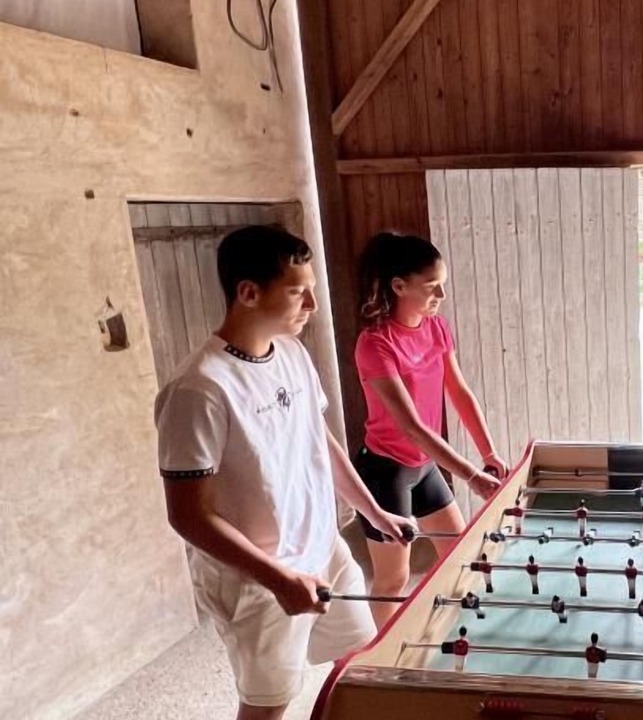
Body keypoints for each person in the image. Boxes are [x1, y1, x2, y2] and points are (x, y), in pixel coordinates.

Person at [156, 225, 416, 720]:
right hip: (257, 576)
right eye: (299, 292)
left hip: (323, 548)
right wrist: (278, 578)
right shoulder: (199, 389)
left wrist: (374, 512)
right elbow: (188, 516)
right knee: (268, 706)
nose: (313, 305)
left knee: (359, 669)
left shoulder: (292, 352)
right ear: (249, 293)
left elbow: (320, 442)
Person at [353, 231, 505, 628]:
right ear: (399, 286)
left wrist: (488, 453)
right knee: (394, 579)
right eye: (432, 286)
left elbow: (460, 392)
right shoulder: (375, 343)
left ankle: (453, 631)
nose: (441, 295)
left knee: (461, 557)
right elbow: (413, 428)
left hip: (424, 468)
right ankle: (383, 651)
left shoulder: (436, 328)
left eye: (443, 284)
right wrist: (471, 475)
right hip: (385, 472)